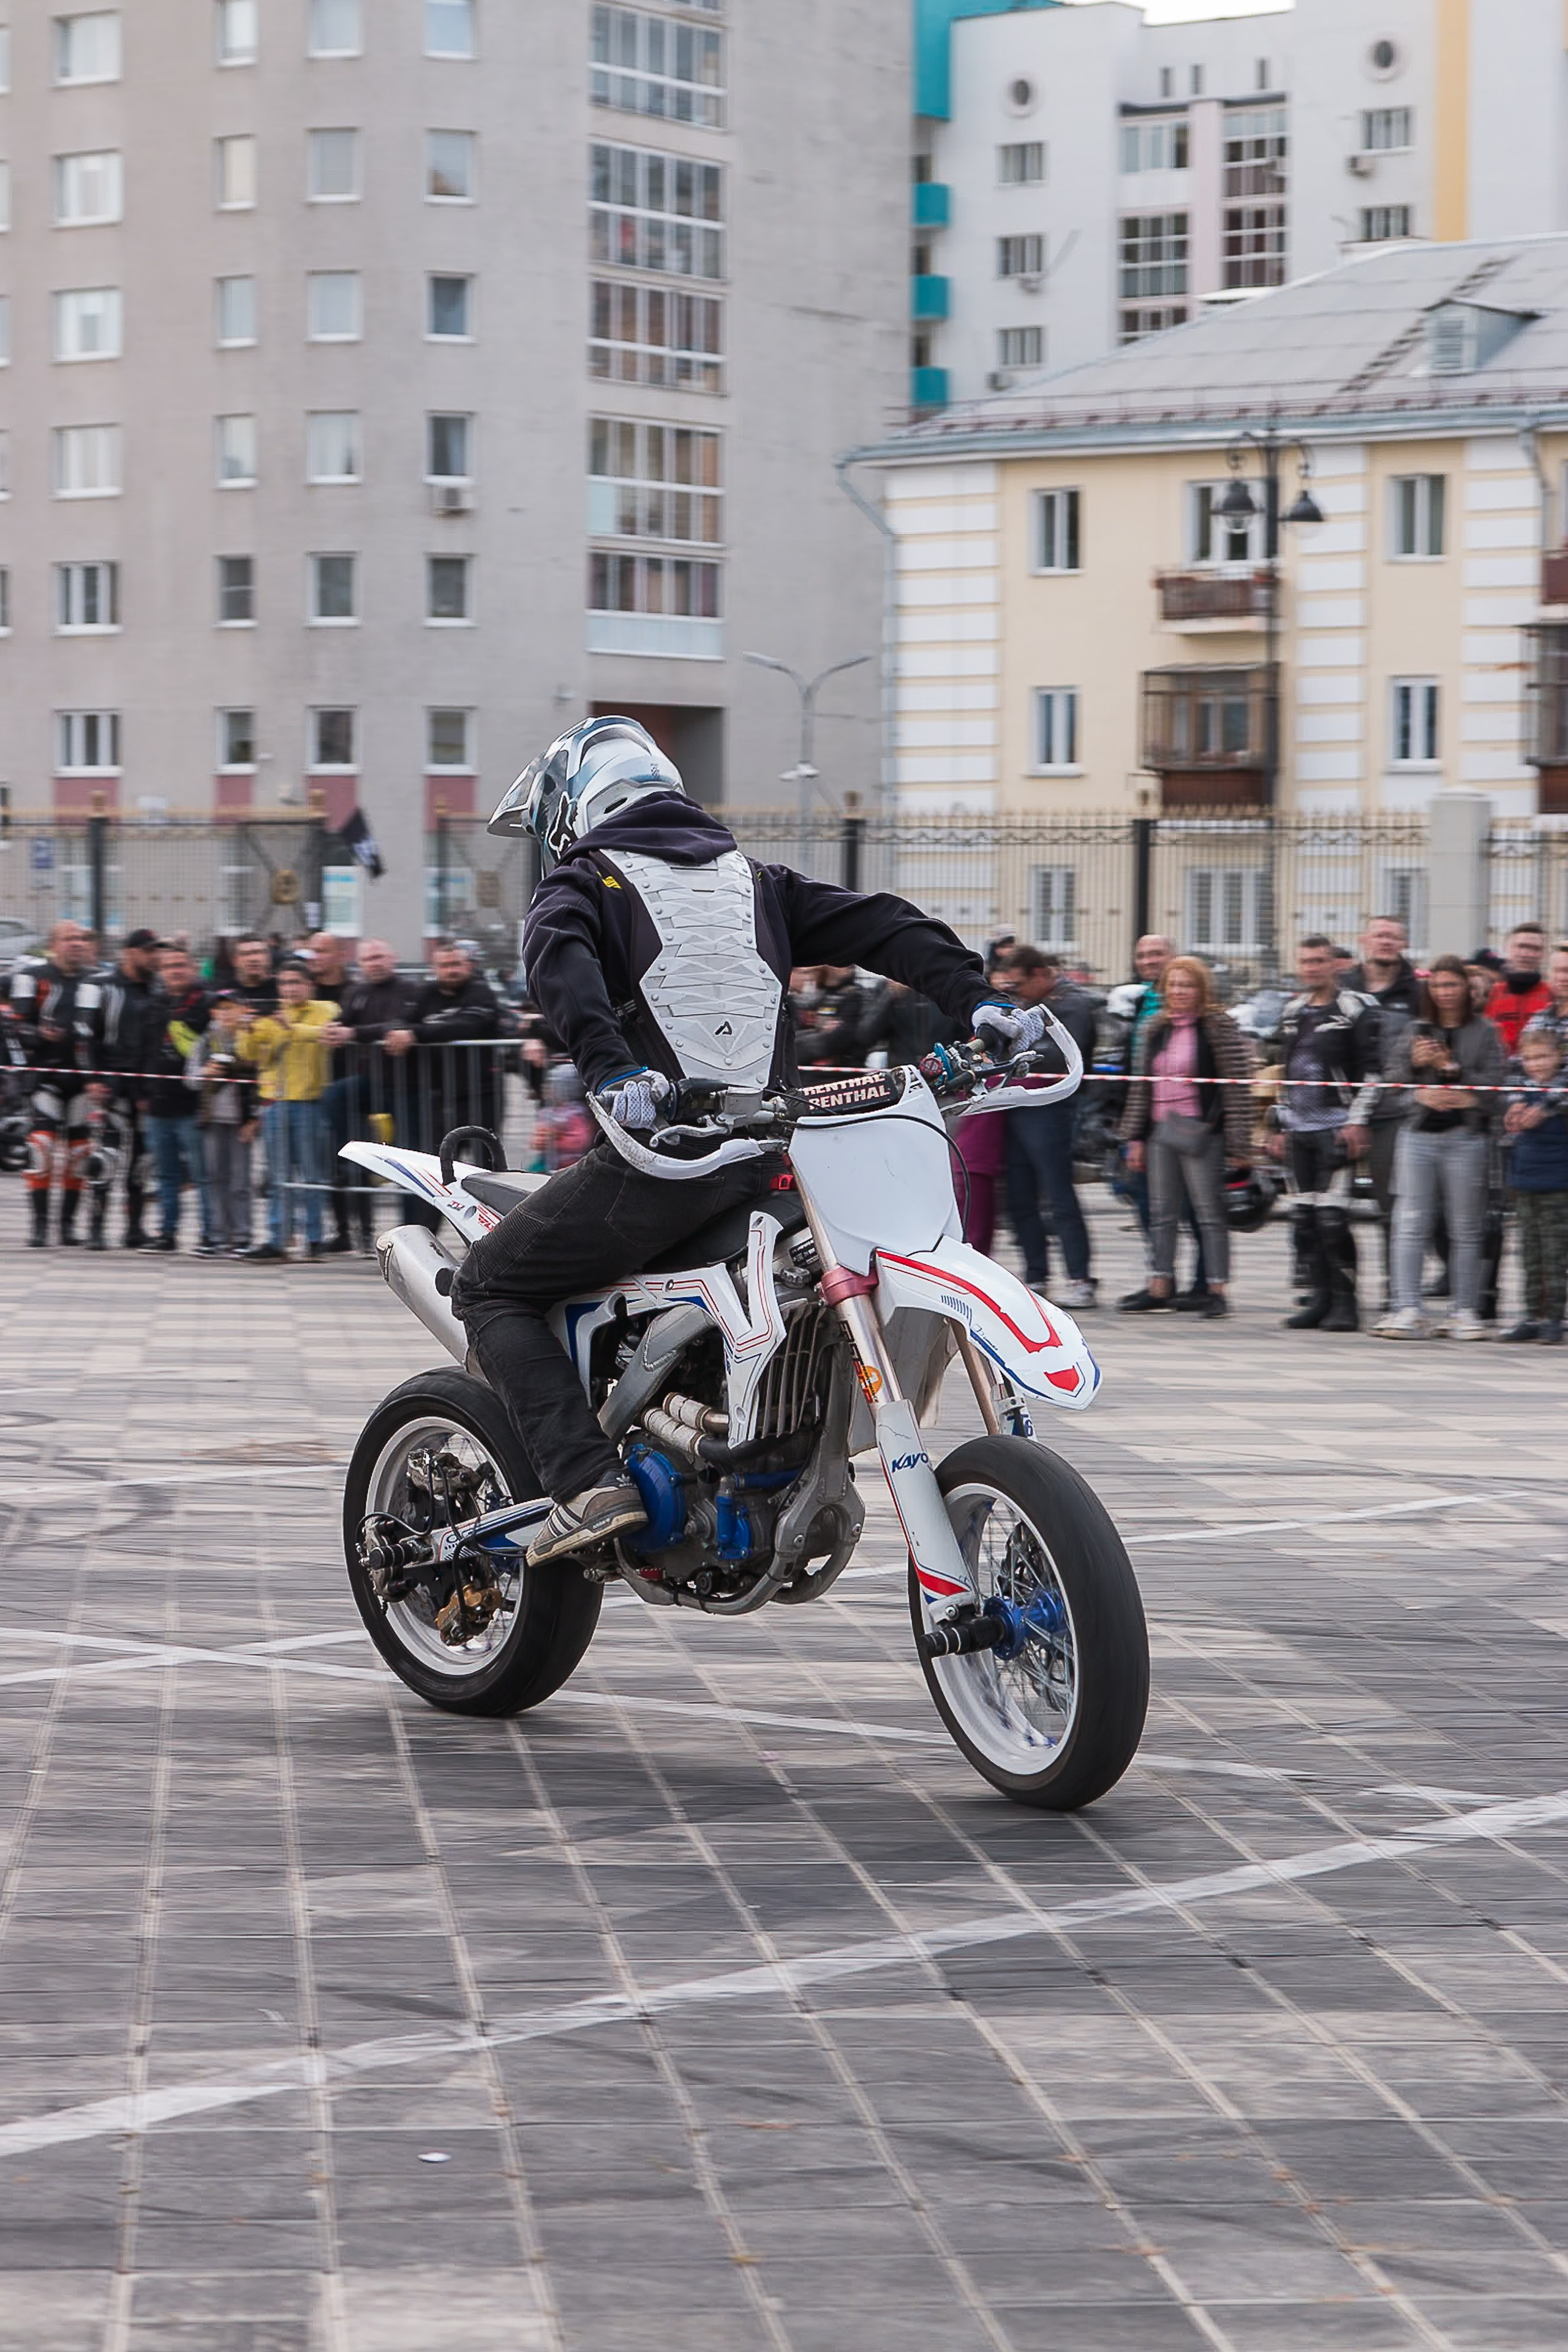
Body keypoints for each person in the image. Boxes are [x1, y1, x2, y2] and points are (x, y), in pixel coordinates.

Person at [451, 714, 1017, 1564]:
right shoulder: (754, 880)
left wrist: (610, 1071)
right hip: (772, 1158)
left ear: (569, 811)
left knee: (488, 1284)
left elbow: (555, 959)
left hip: (663, 1168)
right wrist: (980, 998)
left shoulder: (585, 878)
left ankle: (584, 1480)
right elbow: (887, 924)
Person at [1373, 953, 1506, 1341]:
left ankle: (1464, 1310)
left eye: (1452, 985)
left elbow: (1497, 1085)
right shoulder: (1417, 1028)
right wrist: (1418, 1079)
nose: (1445, 993)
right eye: (1438, 986)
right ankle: (1407, 1308)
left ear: (1467, 988)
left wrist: (1463, 1086)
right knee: (1410, 1221)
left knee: (1466, 1226)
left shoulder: (1485, 1031)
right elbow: (1392, 1084)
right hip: (1418, 1137)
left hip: (1465, 1139)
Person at [1118, 956, 1254, 1320]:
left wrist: (1241, 1144)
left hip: (1202, 1132)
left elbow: (1238, 1087)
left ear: (1202, 990)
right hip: (1161, 1131)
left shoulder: (1218, 1026)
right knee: (1162, 1213)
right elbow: (1141, 1089)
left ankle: (1216, 1288)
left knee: (1209, 1213)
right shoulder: (1155, 1027)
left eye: (1187, 985)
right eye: (1173, 985)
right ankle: (1160, 1284)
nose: (1179, 992)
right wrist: (1135, 1138)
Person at [1268, 935, 1379, 1333]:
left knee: (1333, 1219)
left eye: (1319, 961)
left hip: (1337, 1127)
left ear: (1336, 964)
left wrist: (1358, 1121)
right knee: (1304, 1219)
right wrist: (1277, 1123)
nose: (1312, 967)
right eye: (1306, 961)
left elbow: (1373, 1070)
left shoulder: (1355, 1008)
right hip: (1298, 1130)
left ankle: (1346, 1302)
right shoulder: (1293, 1011)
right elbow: (1283, 1070)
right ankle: (1319, 1298)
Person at [1000, 945, 1100, 1310]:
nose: (1017, 992)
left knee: (1060, 1197)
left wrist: (1014, 1056)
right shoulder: (1031, 1007)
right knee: (1020, 1197)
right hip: (1020, 1107)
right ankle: (1036, 1274)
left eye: (1021, 983)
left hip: (1053, 1109)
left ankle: (1081, 1278)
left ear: (1041, 974)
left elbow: (1060, 1054)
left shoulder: (1071, 1004)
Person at [6, 919, 107, 1249]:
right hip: (44, 1079)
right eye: (69, 939)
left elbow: (103, 1033)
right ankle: (39, 1225)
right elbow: (16, 1024)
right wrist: (39, 1035)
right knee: (42, 1149)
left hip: (81, 1082)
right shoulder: (31, 978)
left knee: (79, 1154)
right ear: (54, 943)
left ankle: (67, 1225)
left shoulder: (95, 981)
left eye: (80, 939)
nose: (76, 944)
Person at [1341, 914, 1421, 1305]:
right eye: (1379, 935)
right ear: (1364, 940)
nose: (1385, 942)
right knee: (1327, 1208)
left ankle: (1398, 1290)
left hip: (1395, 1114)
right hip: (1341, 1112)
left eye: (1393, 936)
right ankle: (1337, 1292)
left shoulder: (1417, 992)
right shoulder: (1345, 986)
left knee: (1395, 1208)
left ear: (1403, 943)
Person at [238, 961, 340, 1260]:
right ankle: (278, 1238)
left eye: (296, 982)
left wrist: (289, 1027)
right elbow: (249, 1055)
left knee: (312, 1175)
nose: (290, 989)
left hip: (311, 1103)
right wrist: (246, 1031)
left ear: (309, 985)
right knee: (279, 1175)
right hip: (276, 1104)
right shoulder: (271, 1017)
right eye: (284, 984)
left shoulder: (326, 1008)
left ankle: (314, 1237)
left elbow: (323, 1033)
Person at [141, 943, 212, 1253]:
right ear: (162, 971)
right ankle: (167, 1233)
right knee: (165, 1175)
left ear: (193, 968)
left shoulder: (206, 1004)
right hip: (158, 1105)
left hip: (192, 1107)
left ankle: (209, 1234)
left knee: (201, 1175)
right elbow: (141, 1051)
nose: (176, 971)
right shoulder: (153, 1005)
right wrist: (140, 1092)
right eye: (169, 966)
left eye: (181, 965)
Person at [1500, 1026, 1568, 1344]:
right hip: (1526, 1181)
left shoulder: (1561, 1092)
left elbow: (1557, 1101)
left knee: (1556, 1256)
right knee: (1530, 1254)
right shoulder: (1521, 1090)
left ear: (1559, 1057)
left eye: (1543, 1057)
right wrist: (1513, 1110)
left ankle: (1554, 1318)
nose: (1537, 1064)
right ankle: (1531, 1315)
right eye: (1530, 1058)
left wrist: (1542, 1111)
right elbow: (1511, 1087)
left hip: (1558, 1185)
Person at [99, 928, 161, 1249]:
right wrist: (94, 1079)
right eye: (148, 951)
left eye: (156, 951)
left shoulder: (157, 990)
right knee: (106, 1157)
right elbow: (91, 1036)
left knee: (141, 1162)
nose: (155, 957)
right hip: (111, 1088)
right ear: (130, 952)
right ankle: (96, 1228)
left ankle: (134, 1228)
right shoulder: (105, 987)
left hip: (145, 1090)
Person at [196, 992, 260, 1255]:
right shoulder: (206, 1041)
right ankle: (219, 1235)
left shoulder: (251, 1039)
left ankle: (243, 1235)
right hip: (213, 1120)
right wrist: (204, 1074)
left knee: (241, 1181)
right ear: (214, 1013)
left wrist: (255, 1119)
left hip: (240, 1121)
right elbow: (188, 1079)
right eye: (221, 1009)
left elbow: (260, 1081)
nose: (227, 1014)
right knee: (215, 1178)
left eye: (232, 1008)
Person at [1485, 923, 1551, 1053]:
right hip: (1499, 1069)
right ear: (1507, 948)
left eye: (1536, 949)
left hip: (1538, 1068)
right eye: (1521, 946)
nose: (1527, 954)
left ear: (1543, 954)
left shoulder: (1552, 994)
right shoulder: (1492, 993)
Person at [1523, 940, 1568, 1049]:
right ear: (1549, 975)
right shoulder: (1539, 1018)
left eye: (1567, 971)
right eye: (1557, 971)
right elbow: (1523, 1059)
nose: (1562, 978)